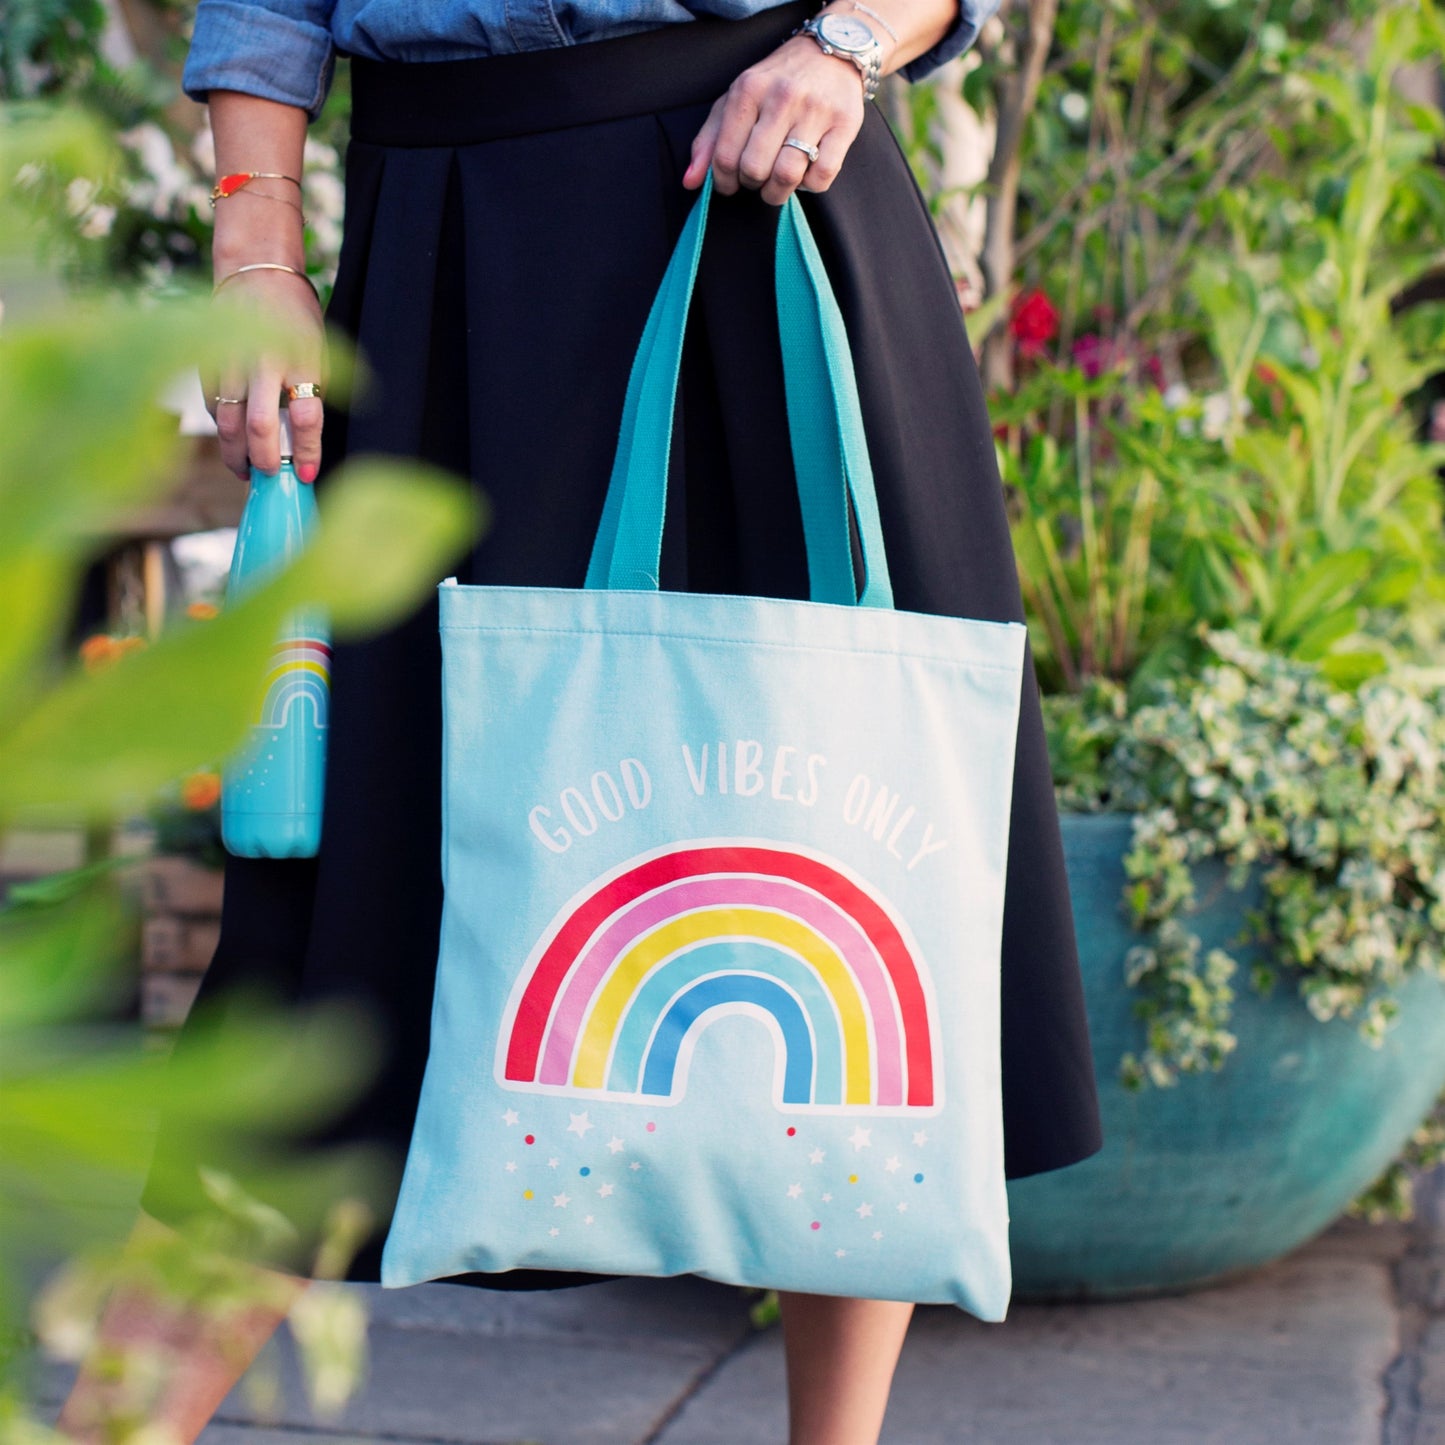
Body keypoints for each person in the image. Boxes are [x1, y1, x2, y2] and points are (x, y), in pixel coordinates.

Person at [58, 1, 1106, 1441]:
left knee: (829, 822)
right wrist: (255, 245)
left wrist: (846, 44)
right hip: (449, 266)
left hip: (762, 208)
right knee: (317, 929)